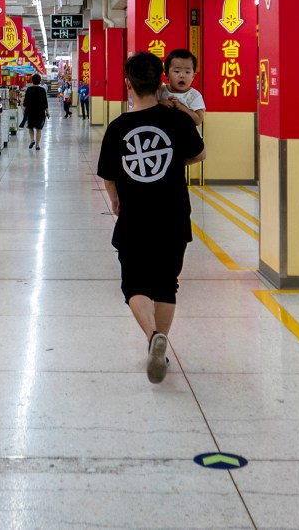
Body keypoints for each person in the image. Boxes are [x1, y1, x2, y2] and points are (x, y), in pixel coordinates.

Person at [97, 52, 206, 384]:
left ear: (128, 83)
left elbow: (109, 174)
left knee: (134, 284)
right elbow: (199, 154)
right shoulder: (178, 120)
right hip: (174, 215)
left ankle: (152, 337)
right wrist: (171, 162)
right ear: (162, 80)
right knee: (166, 285)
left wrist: (115, 201)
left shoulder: (118, 128)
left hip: (135, 217)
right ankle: (162, 339)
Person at [157, 49, 205, 127]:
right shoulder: (160, 91)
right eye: (177, 71)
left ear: (193, 76)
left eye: (187, 72)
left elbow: (198, 120)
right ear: (166, 74)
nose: (182, 75)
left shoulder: (194, 95)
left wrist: (181, 107)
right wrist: (159, 103)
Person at [22, 74, 49, 149]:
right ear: (40, 81)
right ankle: (37, 145)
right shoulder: (42, 90)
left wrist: (24, 109)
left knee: (30, 127)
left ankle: (32, 140)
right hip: (40, 111)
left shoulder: (29, 89)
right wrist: (47, 111)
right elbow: (45, 102)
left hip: (31, 111)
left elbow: (26, 101)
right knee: (39, 128)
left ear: (32, 81)